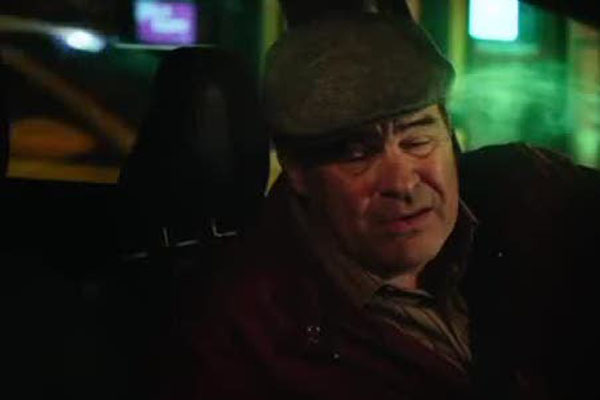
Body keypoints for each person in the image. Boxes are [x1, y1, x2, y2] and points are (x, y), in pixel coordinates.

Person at [168, 10, 600, 400]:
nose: (403, 183)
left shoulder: (527, 194)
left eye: (418, 139)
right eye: (358, 154)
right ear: (296, 168)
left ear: (449, 131)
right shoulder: (243, 343)